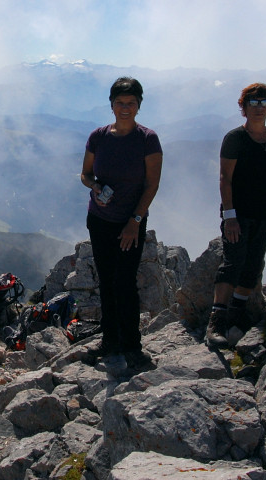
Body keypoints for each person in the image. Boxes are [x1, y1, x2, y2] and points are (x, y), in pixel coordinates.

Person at [80, 77, 163, 369]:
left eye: (131, 103)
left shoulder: (147, 139)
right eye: (120, 102)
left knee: (125, 282)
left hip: (131, 222)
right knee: (106, 281)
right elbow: (85, 174)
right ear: (111, 105)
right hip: (99, 220)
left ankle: (132, 346)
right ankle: (110, 341)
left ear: (139, 105)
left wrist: (135, 221)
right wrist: (95, 187)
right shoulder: (98, 136)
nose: (125, 108)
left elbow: (152, 184)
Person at [205, 83, 266, 348]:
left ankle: (237, 314)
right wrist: (230, 216)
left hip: (264, 213)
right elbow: (225, 178)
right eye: (253, 103)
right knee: (233, 263)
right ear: (244, 107)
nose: (259, 108)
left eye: (264, 103)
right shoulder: (235, 138)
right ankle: (216, 322)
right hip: (238, 214)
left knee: (253, 265)